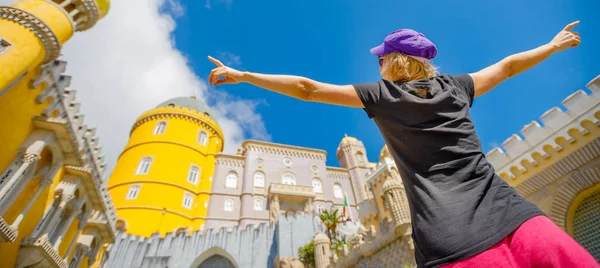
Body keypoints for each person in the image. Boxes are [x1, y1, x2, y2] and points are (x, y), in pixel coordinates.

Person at [207, 22, 598, 268]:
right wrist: (552, 46)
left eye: (382, 59)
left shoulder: (383, 96)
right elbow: (508, 66)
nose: (377, 66)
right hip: (520, 220)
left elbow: (308, 89)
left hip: (452, 243)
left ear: (395, 62)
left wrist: (243, 75)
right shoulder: (457, 86)